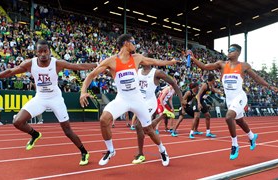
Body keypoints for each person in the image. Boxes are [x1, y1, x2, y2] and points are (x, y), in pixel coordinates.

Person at [0, 39, 97, 166]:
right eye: (40, 51)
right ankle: (35, 134)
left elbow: (78, 67)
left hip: (55, 99)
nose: (43, 54)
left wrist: (97, 64)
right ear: (36, 52)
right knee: (17, 121)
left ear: (50, 51)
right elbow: (10, 72)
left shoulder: (57, 63)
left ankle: (84, 152)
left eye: (45, 51)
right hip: (40, 98)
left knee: (67, 131)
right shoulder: (30, 64)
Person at [80, 34, 178, 166]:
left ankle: (162, 150)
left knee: (148, 129)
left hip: (137, 99)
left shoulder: (137, 58)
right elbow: (91, 75)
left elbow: (155, 62)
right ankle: (110, 150)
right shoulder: (111, 61)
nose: (135, 45)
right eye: (133, 42)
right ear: (126, 43)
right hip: (122, 99)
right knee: (104, 119)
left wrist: (169, 62)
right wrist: (83, 92)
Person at [189, 44, 278, 160]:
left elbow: (256, 77)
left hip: (240, 97)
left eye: (231, 50)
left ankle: (235, 144)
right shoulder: (221, 64)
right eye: (228, 50)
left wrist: (269, 86)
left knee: (228, 117)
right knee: (239, 121)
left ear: (238, 53)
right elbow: (205, 66)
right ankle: (252, 136)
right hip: (229, 99)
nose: (229, 52)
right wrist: (193, 58)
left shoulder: (243, 66)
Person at [131, 63, 184, 164]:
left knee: (142, 126)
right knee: (140, 127)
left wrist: (181, 99)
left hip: (150, 103)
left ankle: (162, 150)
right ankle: (141, 154)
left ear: (149, 61)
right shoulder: (137, 72)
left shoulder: (156, 73)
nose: (142, 60)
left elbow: (173, 83)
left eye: (145, 58)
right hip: (140, 102)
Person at [188, 73, 220, 139]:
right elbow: (198, 95)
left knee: (208, 115)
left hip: (202, 101)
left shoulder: (211, 86)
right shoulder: (205, 85)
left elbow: (213, 90)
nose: (215, 81)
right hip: (197, 100)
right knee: (196, 116)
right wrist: (199, 103)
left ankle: (208, 132)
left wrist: (219, 92)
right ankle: (191, 133)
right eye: (215, 80)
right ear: (212, 79)